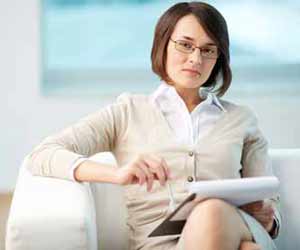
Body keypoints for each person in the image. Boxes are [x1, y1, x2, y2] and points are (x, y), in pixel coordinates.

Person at [27, 2, 281, 250]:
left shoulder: (242, 119)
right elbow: (43, 154)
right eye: (185, 45)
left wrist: (269, 220)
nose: (195, 58)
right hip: (158, 244)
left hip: (234, 227)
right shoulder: (127, 111)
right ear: (163, 44)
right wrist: (117, 174)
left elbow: (269, 207)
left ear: (218, 58)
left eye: (208, 50)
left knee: (214, 212)